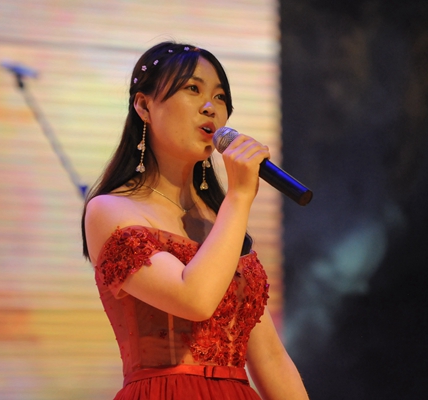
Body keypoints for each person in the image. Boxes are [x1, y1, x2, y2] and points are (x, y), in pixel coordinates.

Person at [81, 41, 308, 400]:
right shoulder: (110, 210)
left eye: (220, 97)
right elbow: (194, 299)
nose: (209, 107)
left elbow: (271, 358)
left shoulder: (220, 219)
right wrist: (239, 197)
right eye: (192, 89)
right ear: (144, 106)